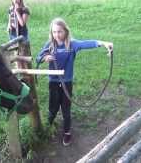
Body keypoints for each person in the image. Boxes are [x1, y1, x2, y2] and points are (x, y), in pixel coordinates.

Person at [36, 18, 113, 146]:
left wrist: (103, 43)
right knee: (53, 108)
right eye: (54, 32)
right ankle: (47, 128)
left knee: (66, 109)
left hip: (67, 83)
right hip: (53, 82)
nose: (57, 35)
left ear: (65, 31)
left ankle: (67, 132)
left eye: (59, 31)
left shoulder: (72, 44)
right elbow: (38, 57)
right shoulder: (50, 44)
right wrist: (45, 58)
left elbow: (87, 43)